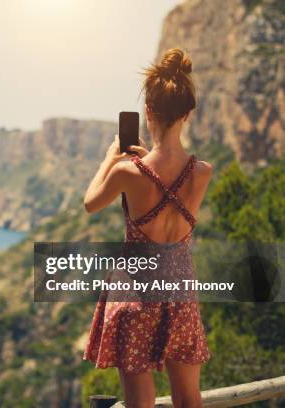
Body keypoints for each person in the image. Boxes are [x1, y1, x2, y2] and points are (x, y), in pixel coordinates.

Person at [82, 48, 213, 408]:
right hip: (181, 289)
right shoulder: (202, 172)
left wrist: (111, 160)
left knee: (139, 402)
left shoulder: (128, 172)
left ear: (148, 113)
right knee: (189, 397)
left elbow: (90, 202)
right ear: (187, 114)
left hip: (136, 291)